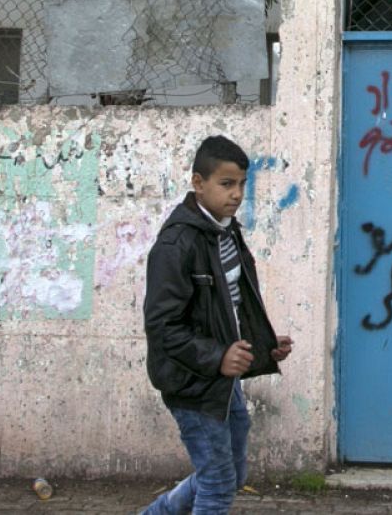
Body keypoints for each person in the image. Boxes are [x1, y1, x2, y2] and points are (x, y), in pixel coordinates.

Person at [141, 136, 293, 515]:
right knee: (218, 483)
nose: (237, 194)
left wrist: (262, 344)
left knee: (229, 474)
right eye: (227, 184)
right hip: (191, 381)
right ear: (198, 183)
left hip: (223, 383)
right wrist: (217, 357)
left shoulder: (226, 231)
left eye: (242, 183)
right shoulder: (177, 243)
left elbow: (230, 304)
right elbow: (162, 326)